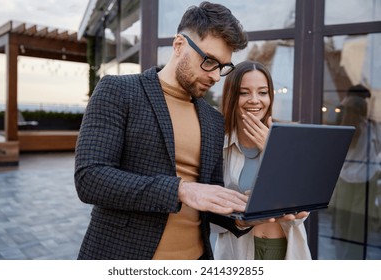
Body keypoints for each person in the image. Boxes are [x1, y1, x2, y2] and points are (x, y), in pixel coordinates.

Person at [74, 1, 253, 260]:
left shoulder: (214, 120)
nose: (215, 76)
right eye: (209, 61)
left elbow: (208, 199)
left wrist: (243, 216)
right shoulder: (118, 91)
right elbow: (89, 179)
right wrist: (181, 189)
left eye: (223, 67)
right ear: (179, 45)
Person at [213, 60, 312, 260]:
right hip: (237, 252)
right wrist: (244, 218)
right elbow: (208, 216)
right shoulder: (218, 145)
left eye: (263, 92)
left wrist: (272, 150)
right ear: (232, 96)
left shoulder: (287, 140)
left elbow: (302, 208)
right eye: (244, 92)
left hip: (283, 249)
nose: (255, 100)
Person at [330, 84, 381, 259]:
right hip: (356, 179)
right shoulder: (358, 121)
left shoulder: (361, 123)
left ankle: (347, 260)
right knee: (352, 227)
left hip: (357, 178)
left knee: (349, 226)